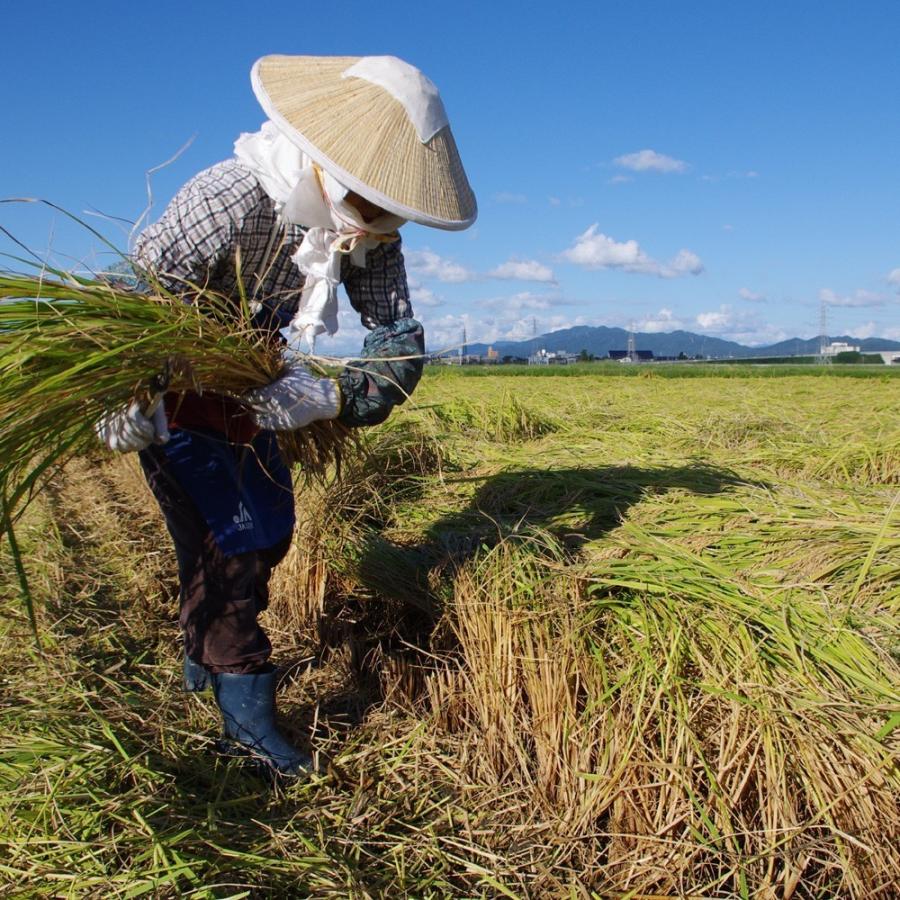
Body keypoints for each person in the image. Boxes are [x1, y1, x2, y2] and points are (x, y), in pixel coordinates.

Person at [96, 54, 476, 776]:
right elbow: (133, 304)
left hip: (256, 395)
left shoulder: (369, 233)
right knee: (230, 549)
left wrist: (336, 396)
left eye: (391, 218)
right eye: (369, 210)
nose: (374, 233)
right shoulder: (231, 197)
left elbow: (398, 339)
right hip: (174, 392)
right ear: (328, 167)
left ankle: (200, 649)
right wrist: (124, 394)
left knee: (270, 533)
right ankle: (247, 724)